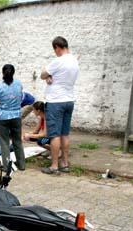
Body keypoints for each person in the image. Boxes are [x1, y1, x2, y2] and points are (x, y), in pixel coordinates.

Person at [40, 36, 79, 175]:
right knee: (65, 133)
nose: (55, 52)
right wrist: (52, 77)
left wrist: (48, 76)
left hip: (56, 101)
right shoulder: (74, 60)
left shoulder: (58, 61)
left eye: (55, 49)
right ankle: (65, 163)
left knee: (54, 135)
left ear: (57, 47)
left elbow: (43, 74)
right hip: (69, 100)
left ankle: (54, 165)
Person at [0, 64, 25, 171]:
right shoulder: (19, 84)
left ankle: (6, 167)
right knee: (17, 141)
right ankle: (21, 165)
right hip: (16, 115)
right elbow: (20, 97)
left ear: (2, 73)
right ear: (14, 73)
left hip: (2, 116)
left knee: (4, 142)